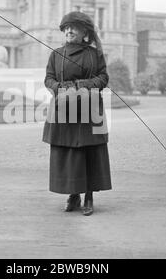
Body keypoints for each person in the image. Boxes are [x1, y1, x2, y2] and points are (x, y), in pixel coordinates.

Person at [42, 11, 111, 216]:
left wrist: (81, 86)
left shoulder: (94, 54)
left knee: (88, 152)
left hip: (89, 110)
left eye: (74, 27)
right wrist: (61, 89)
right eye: (66, 28)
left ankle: (89, 195)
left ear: (84, 32)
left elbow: (103, 78)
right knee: (69, 153)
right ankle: (73, 194)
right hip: (64, 109)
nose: (69, 31)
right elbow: (48, 79)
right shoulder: (56, 54)